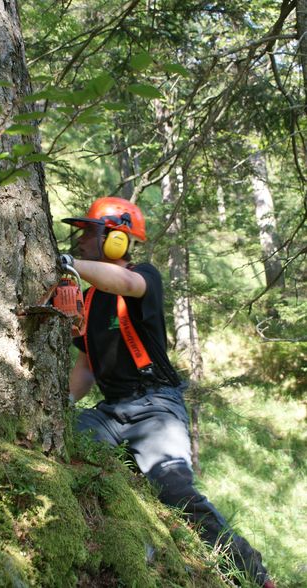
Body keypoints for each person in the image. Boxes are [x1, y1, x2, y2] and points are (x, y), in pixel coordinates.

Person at [61, 196, 276, 588]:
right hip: (109, 413)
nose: (79, 241)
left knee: (174, 488)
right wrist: (62, 405)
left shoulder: (143, 276)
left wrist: (70, 266)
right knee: (62, 439)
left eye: (88, 232)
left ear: (116, 240)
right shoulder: (88, 299)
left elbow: (126, 283)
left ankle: (254, 576)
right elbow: (87, 366)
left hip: (156, 406)